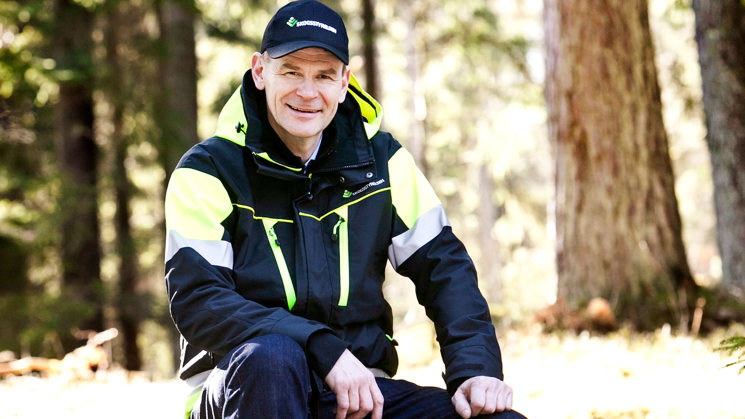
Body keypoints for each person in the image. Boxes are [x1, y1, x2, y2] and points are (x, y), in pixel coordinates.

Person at [165, 1, 525, 418]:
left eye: (323, 75)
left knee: (497, 418)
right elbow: (201, 300)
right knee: (272, 358)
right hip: (242, 391)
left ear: (344, 83)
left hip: (358, 395)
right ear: (260, 72)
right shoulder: (207, 171)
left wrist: (475, 371)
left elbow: (444, 268)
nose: (307, 92)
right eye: (291, 71)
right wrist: (321, 347)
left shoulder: (383, 162)